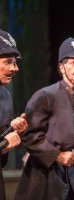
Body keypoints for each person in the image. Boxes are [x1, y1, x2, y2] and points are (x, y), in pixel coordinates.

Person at [15, 37, 74, 200]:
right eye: (73, 63)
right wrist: (57, 155)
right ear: (62, 67)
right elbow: (29, 134)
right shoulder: (46, 95)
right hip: (46, 176)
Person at [0, 29, 28, 200]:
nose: (15, 68)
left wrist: (10, 135)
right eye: (8, 62)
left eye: (15, 62)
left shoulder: (5, 96)